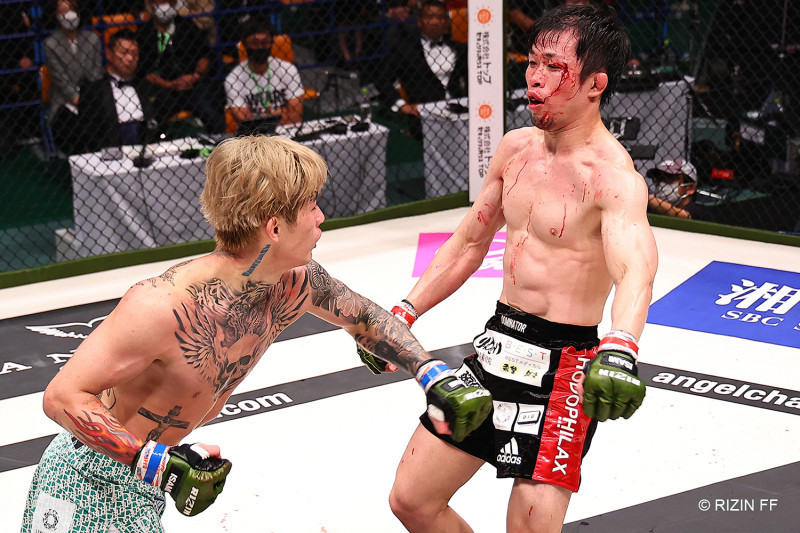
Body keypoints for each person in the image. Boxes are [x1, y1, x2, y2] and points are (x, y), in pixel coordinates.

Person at [20, 134, 492, 533]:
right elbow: (62, 396)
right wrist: (156, 463)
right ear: (274, 227)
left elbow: (364, 318)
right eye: (311, 206)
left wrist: (431, 374)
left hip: (145, 478)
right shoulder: (161, 306)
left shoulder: (296, 282)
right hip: (88, 476)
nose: (321, 217)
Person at [359, 4, 659, 532]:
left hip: (564, 370)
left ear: (595, 84)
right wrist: (402, 312)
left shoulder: (612, 178)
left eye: (554, 67)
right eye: (532, 62)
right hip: (498, 346)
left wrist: (621, 346)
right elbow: (469, 242)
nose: (535, 78)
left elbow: (635, 269)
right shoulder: (515, 149)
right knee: (411, 500)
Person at [380, 0, 467, 139]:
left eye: (440, 18)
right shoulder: (405, 50)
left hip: (459, 114)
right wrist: (402, 105)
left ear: (447, 22)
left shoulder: (459, 49)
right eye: (429, 17)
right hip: (424, 118)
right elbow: (383, 80)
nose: (435, 22)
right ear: (420, 22)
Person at [137, 0, 225, 133]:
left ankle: (222, 140)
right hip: (163, 88)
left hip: (192, 85)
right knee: (154, 119)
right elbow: (143, 71)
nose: (165, 6)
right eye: (161, 2)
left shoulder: (186, 25)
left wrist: (195, 76)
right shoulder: (144, 32)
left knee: (211, 113)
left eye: (169, 2)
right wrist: (169, 84)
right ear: (151, 5)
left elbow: (206, 55)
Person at [78, 30, 155, 153]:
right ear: (109, 54)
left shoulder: (145, 86)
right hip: (111, 152)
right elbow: (89, 132)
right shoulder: (94, 90)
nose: (130, 58)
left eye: (135, 54)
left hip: (147, 148)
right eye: (124, 52)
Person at [44, 0, 104, 154]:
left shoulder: (92, 39)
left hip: (91, 98)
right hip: (64, 102)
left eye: (72, 9)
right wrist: (76, 98)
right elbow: (61, 79)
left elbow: (96, 73)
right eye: (63, 11)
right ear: (56, 15)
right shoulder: (50, 44)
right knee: (76, 127)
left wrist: (87, 98)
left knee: (98, 119)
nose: (69, 15)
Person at [224, 18, 305, 128]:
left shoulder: (288, 69)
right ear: (245, 44)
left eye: (265, 42)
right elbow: (245, 122)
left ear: (272, 43)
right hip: (254, 136)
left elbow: (296, 116)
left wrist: (259, 118)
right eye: (254, 43)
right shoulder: (233, 79)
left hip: (288, 131)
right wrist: (282, 112)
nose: (260, 47)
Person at [645, 156, 710, 220]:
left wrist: (648, 198)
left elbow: (683, 217)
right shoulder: (650, 208)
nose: (661, 183)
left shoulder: (699, 211)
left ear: (690, 188)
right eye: (659, 178)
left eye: (670, 177)